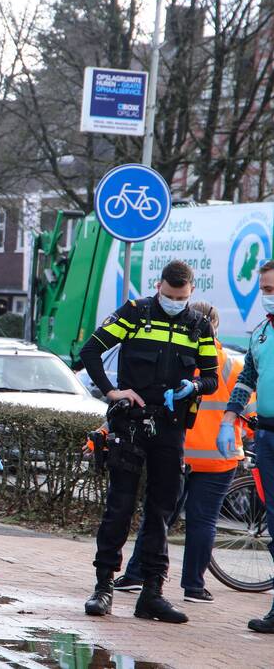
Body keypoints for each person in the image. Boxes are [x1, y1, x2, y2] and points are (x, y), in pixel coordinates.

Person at [79, 260, 218, 624]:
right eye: (169, 296)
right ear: (158, 287)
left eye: (181, 298)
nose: (174, 302)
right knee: (119, 507)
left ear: (191, 292)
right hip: (131, 424)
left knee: (161, 511)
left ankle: (152, 593)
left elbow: (212, 377)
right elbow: (90, 350)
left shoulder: (198, 326)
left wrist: (194, 386)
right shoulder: (135, 313)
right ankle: (103, 587)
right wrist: (112, 391)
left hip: (171, 427)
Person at [105, 302, 247, 603]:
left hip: (177, 450)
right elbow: (250, 409)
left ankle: (135, 574)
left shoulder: (176, 353)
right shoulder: (232, 366)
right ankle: (194, 587)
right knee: (203, 522)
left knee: (159, 517)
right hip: (218, 458)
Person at [223, 259, 274, 633]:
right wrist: (230, 417)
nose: (268, 296)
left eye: (273, 289)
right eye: (265, 290)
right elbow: (247, 378)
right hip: (267, 436)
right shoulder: (261, 333)